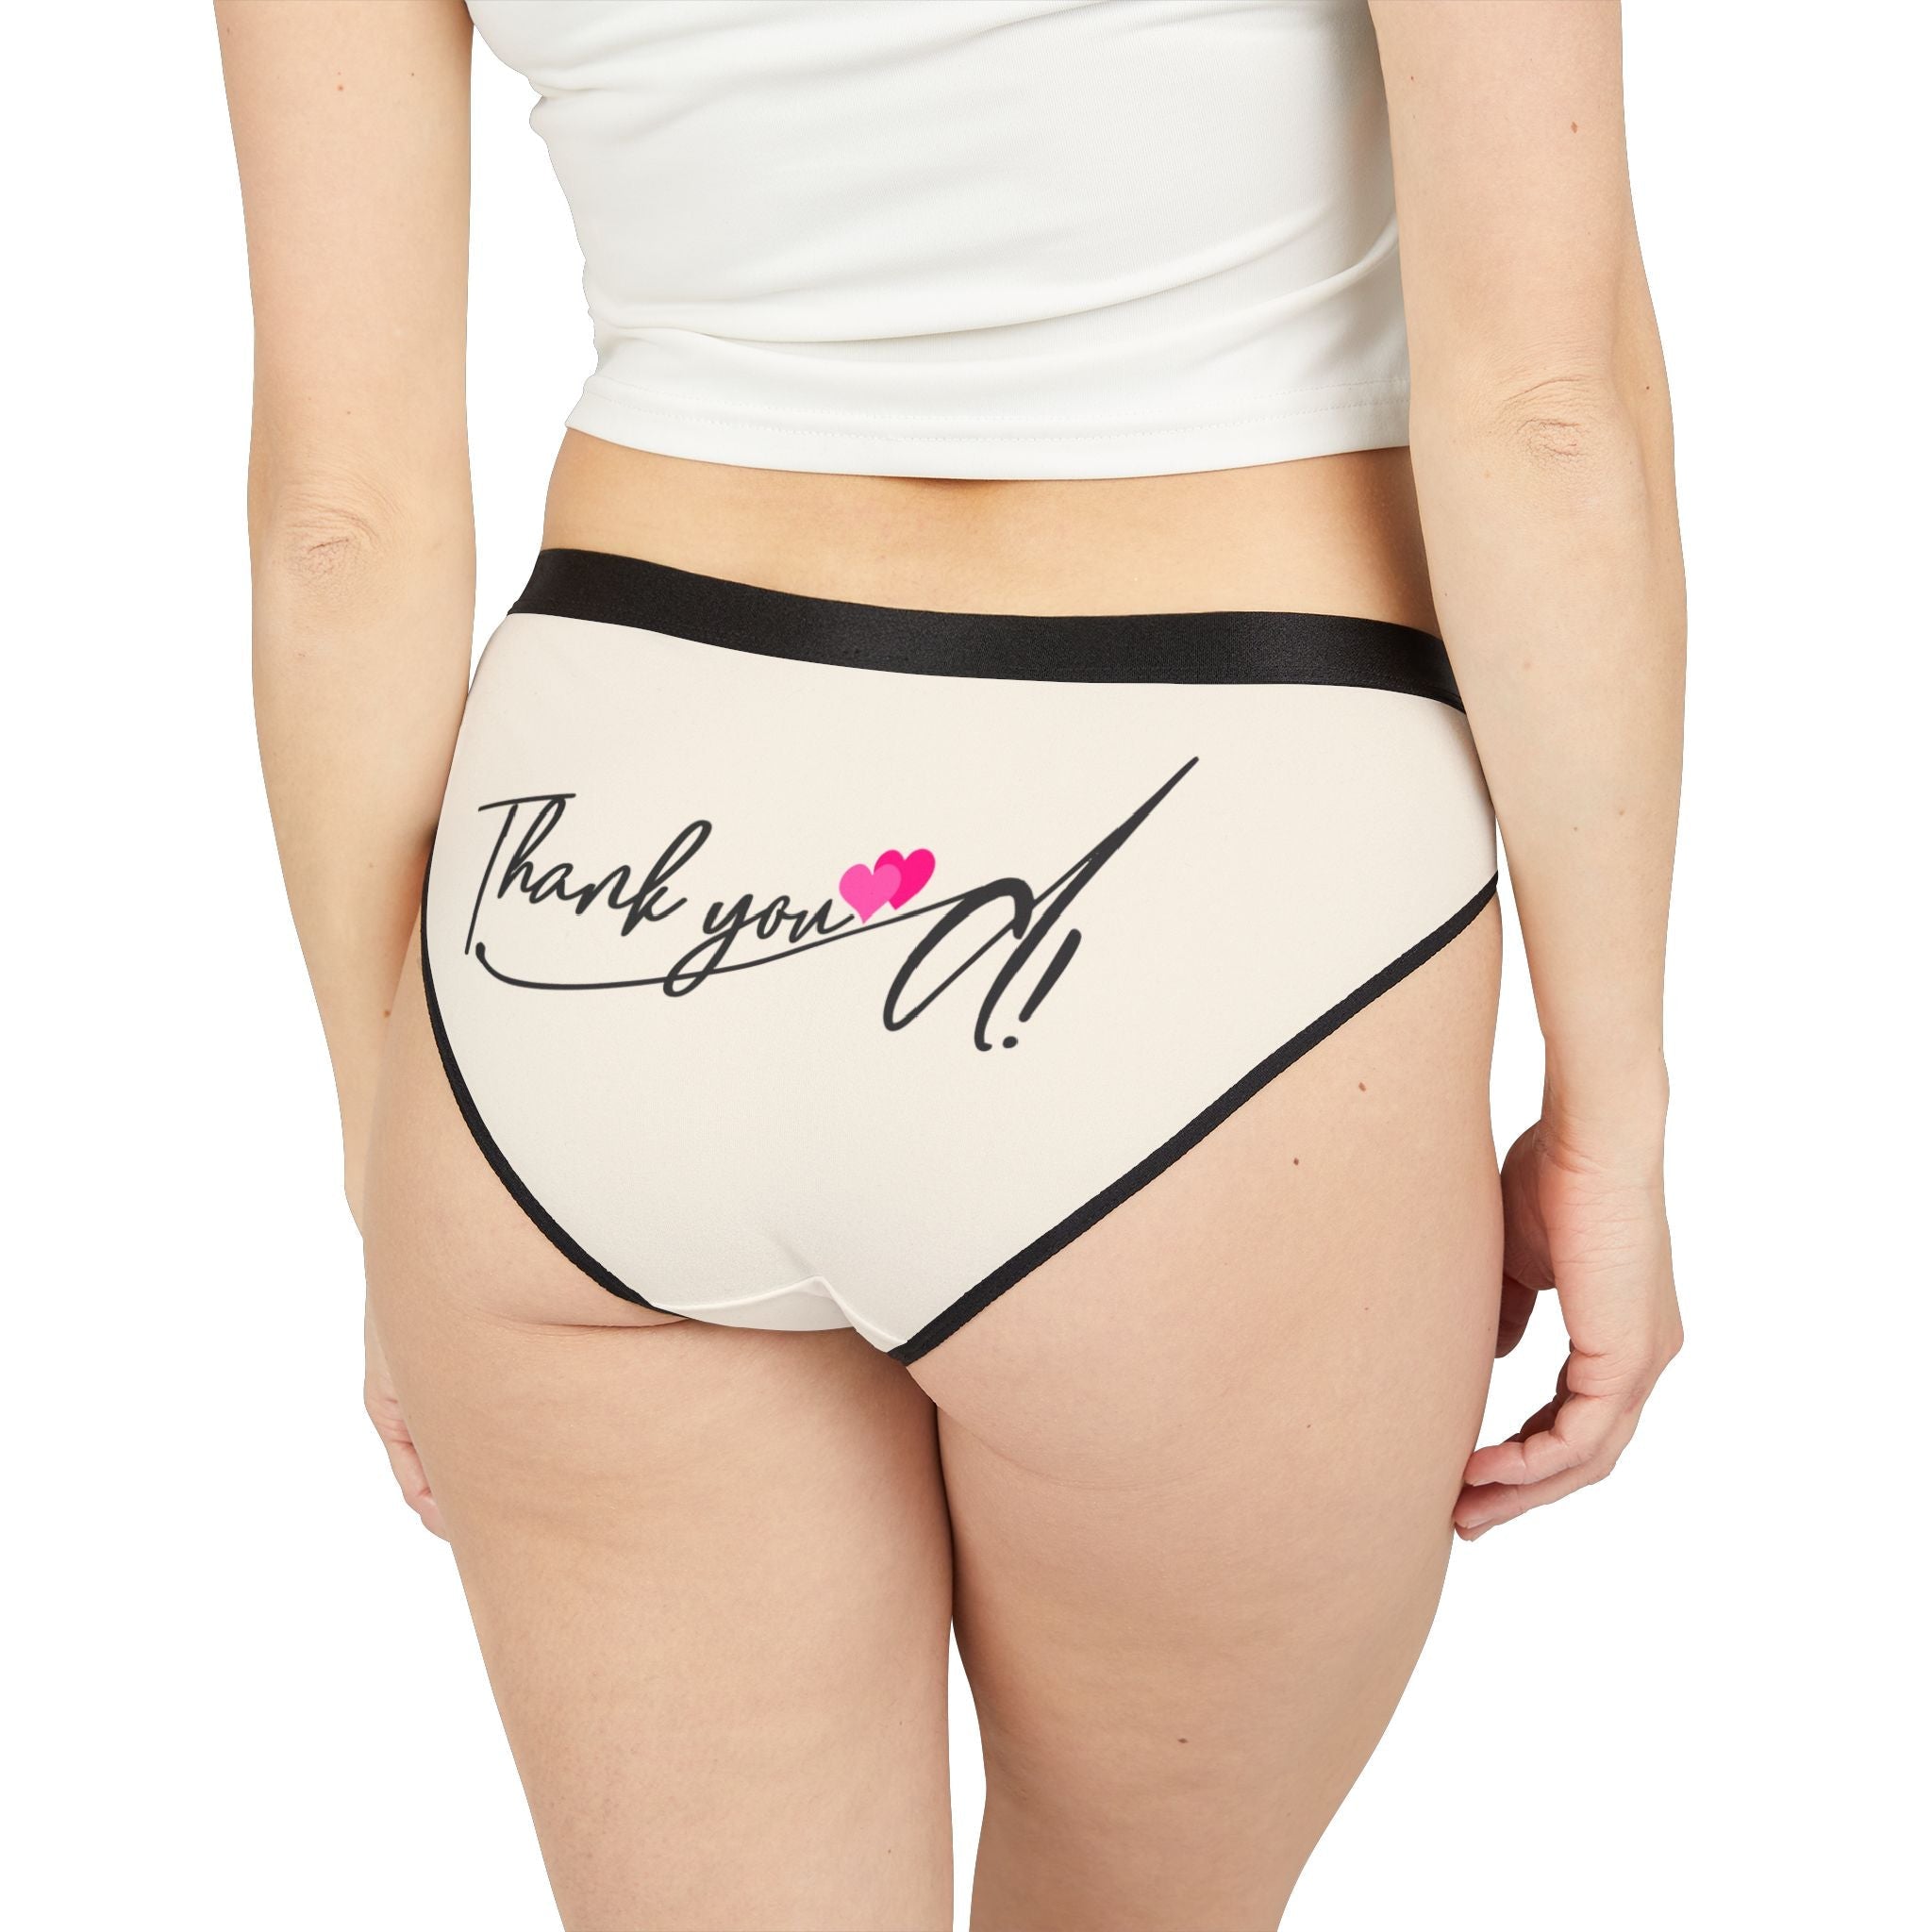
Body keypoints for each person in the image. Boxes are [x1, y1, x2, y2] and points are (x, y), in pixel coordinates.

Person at [217, 2, 1684, 1925]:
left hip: (588, 913)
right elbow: (1546, 413)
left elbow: (341, 522)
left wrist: (396, 1151)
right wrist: (1609, 1112)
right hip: (1212, 895)